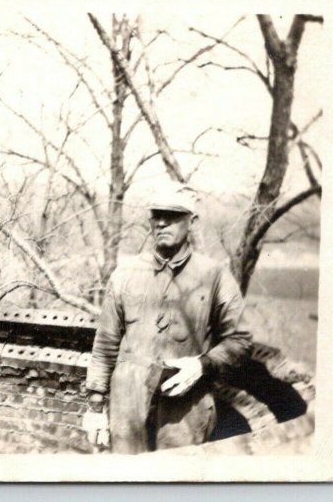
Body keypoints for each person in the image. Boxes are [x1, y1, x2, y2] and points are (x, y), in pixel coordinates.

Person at [82, 183, 252, 454]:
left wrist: (202, 365)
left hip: (186, 406)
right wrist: (95, 407)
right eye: (156, 215)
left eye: (172, 216)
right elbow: (105, 345)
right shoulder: (125, 274)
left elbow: (240, 340)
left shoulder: (214, 276)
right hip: (127, 403)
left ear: (192, 222)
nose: (161, 223)